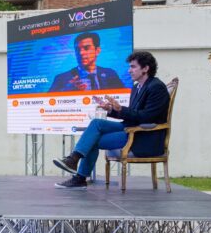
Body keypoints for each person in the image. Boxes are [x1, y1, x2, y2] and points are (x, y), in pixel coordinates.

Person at [53, 51, 170, 189]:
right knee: (96, 123)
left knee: (92, 141)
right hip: (130, 127)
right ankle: (74, 160)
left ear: (145, 68)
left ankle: (79, 175)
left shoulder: (156, 87)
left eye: (133, 67)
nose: (129, 70)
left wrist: (121, 109)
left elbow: (146, 117)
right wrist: (111, 110)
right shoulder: (137, 87)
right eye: (129, 67)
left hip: (143, 136)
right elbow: (133, 114)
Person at [48, 32, 127, 93]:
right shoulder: (61, 79)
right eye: (77, 49)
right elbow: (48, 103)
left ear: (97, 51)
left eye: (86, 48)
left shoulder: (110, 74)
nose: (81, 53)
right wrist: (66, 91)